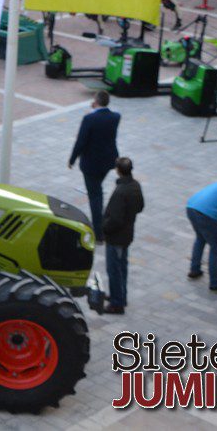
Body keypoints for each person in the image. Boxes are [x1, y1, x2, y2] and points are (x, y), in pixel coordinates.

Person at [68, 91, 121, 241]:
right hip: (108, 161)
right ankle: (102, 222)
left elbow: (81, 142)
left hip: (91, 164)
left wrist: (72, 160)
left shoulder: (89, 119)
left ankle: (99, 232)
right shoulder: (115, 117)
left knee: (95, 195)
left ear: (95, 101)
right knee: (97, 190)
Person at [101, 156, 144, 314]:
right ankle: (120, 296)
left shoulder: (120, 192)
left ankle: (116, 303)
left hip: (116, 237)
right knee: (122, 267)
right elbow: (140, 207)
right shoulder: (135, 186)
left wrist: (104, 228)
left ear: (118, 170)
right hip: (127, 234)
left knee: (114, 269)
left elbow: (115, 219)